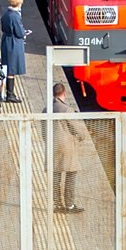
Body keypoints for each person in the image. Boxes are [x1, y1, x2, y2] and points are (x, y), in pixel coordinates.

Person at [49, 82, 87, 213]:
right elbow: (77, 128)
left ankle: (56, 204)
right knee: (71, 174)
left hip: (52, 145)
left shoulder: (46, 109)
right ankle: (69, 205)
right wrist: (82, 137)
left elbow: (43, 128)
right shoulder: (67, 110)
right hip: (67, 147)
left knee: (55, 174)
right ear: (64, 93)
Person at [0, 0, 29, 102]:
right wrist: (24, 33)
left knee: (8, 66)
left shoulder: (6, 14)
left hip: (6, 40)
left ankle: (9, 93)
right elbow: (19, 32)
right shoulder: (15, 16)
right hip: (14, 43)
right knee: (12, 68)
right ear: (18, 4)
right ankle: (10, 94)